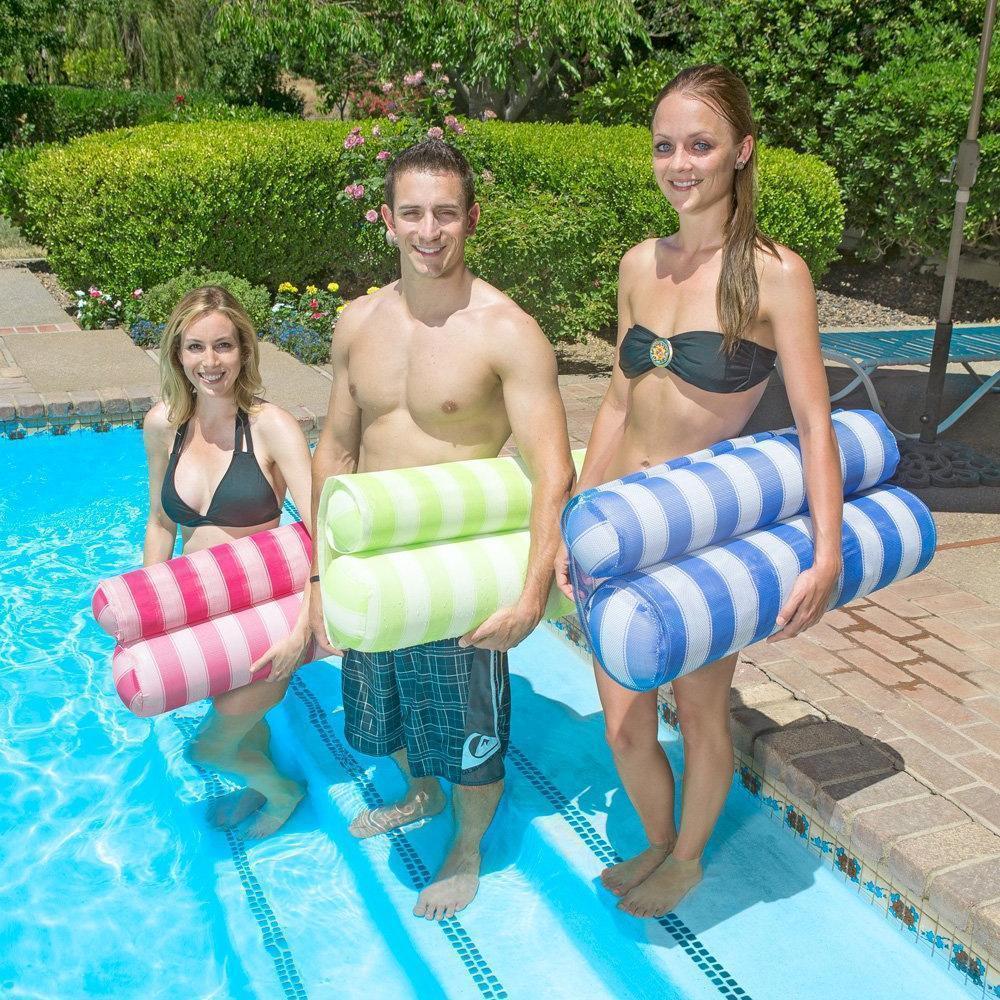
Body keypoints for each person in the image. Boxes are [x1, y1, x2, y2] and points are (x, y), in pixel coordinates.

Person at [555, 64, 844, 918]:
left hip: (699, 534)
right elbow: (617, 403)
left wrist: (826, 553)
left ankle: (686, 858)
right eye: (665, 146)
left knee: (701, 712)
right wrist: (576, 517)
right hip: (620, 527)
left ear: (741, 151)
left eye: (700, 145)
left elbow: (815, 423)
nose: (679, 163)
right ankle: (655, 837)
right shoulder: (639, 264)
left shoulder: (774, 275)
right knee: (622, 722)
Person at [308, 139, 574, 921]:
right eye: (414, 213)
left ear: (472, 218)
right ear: (387, 219)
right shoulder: (357, 323)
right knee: (382, 712)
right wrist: (321, 578)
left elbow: (552, 470)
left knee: (471, 737)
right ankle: (420, 792)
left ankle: (467, 844)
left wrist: (531, 596)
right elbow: (336, 451)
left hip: (458, 579)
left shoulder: (506, 331)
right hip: (374, 571)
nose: (429, 231)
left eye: (446, 214)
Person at [143, 285, 315, 838]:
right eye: (195, 347)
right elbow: (161, 523)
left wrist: (305, 627)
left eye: (223, 345)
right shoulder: (163, 424)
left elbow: (324, 532)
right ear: (177, 353)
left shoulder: (271, 426)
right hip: (201, 612)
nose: (210, 361)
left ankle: (284, 793)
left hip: (266, 619)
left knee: (206, 748)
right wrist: (153, 619)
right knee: (239, 723)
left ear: (244, 351)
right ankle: (257, 782)